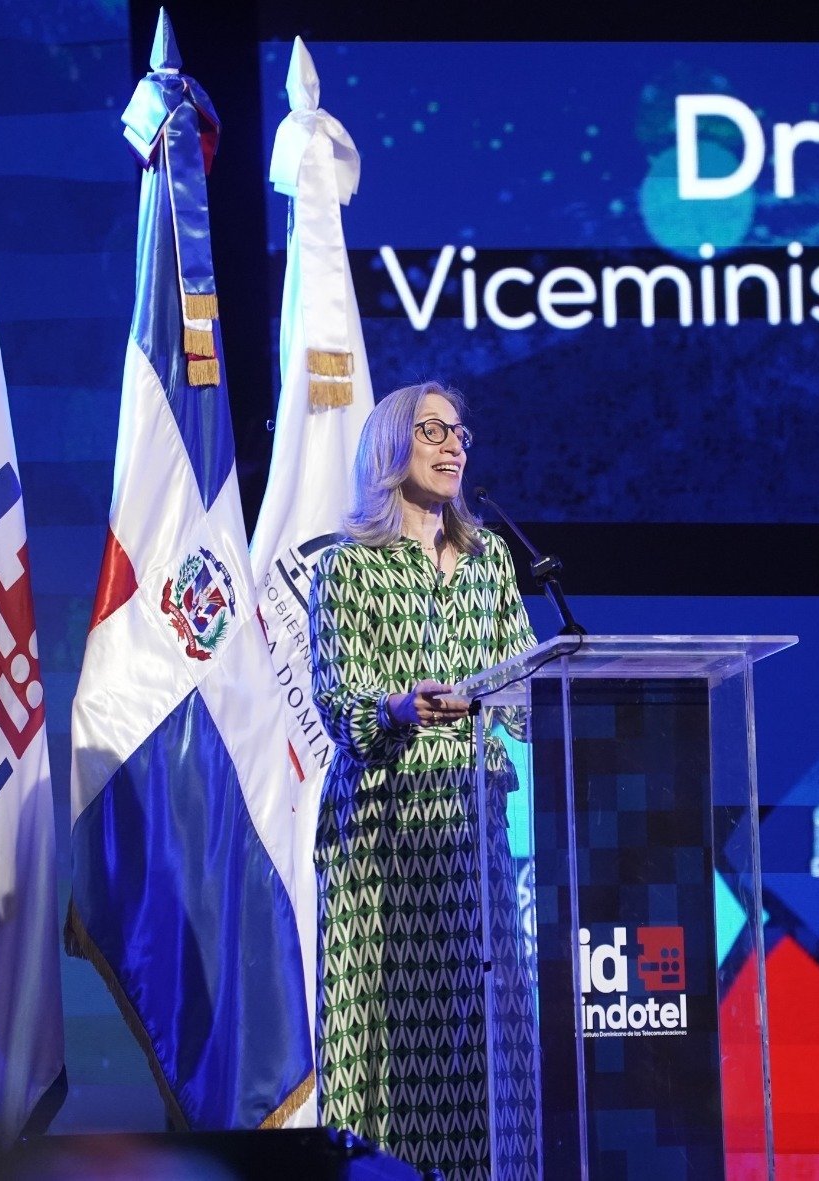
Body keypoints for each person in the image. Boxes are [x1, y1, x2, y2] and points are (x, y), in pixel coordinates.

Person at [308, 381, 538, 1181]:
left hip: (471, 829)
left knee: (483, 1035)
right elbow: (339, 704)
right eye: (432, 430)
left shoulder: (490, 561)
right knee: (382, 1039)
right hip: (383, 839)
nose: (453, 445)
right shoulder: (348, 567)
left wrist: (532, 701)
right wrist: (398, 706)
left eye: (460, 433)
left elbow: (522, 683)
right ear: (389, 445)